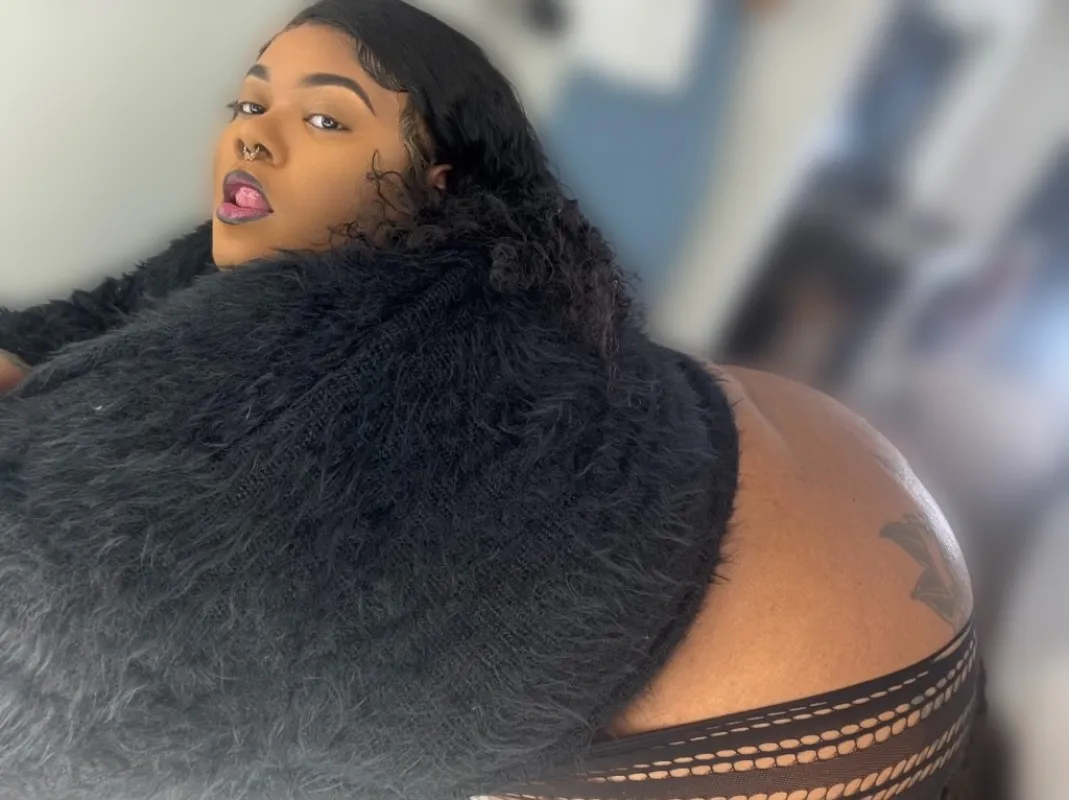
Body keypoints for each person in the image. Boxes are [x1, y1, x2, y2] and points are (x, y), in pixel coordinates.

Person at [0, 2, 979, 798]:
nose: (255, 135)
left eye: (326, 118)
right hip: (808, 521)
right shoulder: (362, 248)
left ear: (435, 180)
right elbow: (108, 313)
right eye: (249, 102)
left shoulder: (336, 386)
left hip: (800, 712)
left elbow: (49, 659)